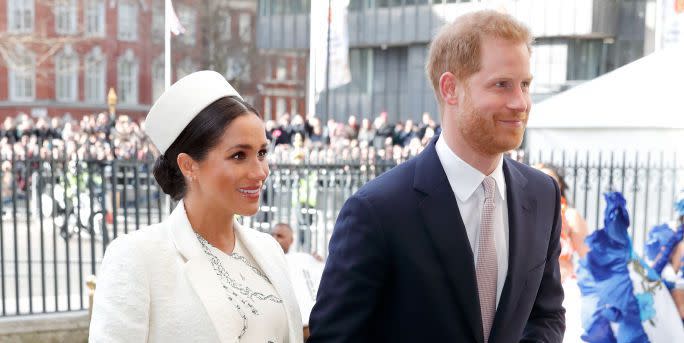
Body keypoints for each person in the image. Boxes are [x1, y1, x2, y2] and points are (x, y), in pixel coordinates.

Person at [308, 10, 565, 342]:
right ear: (450, 89)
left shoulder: (542, 195)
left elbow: (546, 314)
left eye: (525, 85)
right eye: (502, 85)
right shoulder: (378, 210)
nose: (521, 102)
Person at [89, 71, 303, 343]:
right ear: (188, 165)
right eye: (239, 156)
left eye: (262, 153)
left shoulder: (268, 249)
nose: (260, 171)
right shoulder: (137, 258)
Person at [534, 163, 588, 342]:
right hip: (532, 291)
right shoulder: (525, 214)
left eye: (550, 180)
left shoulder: (571, 216)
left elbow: (588, 257)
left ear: (559, 186)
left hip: (565, 291)